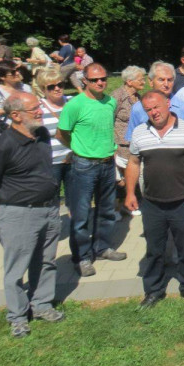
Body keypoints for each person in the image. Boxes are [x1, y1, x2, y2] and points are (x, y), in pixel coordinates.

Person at [0, 92, 64, 340]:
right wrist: (1, 210)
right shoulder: (4, 145)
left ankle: (41, 305)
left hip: (49, 210)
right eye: (34, 109)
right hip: (18, 213)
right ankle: (17, 317)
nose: (40, 111)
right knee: (16, 269)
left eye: (38, 106)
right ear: (15, 115)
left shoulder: (41, 135)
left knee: (46, 261)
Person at [124, 90, 184, 308]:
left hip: (182, 201)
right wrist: (131, 193)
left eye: (157, 107)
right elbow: (133, 163)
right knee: (154, 249)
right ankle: (154, 290)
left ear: (168, 104)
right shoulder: (140, 132)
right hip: (152, 202)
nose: (154, 112)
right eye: (148, 110)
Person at [57, 63, 126, 277]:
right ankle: (82, 257)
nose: (100, 82)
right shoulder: (74, 105)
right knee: (81, 214)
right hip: (84, 165)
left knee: (106, 210)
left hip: (106, 163)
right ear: (84, 80)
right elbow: (62, 134)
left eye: (103, 78)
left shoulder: (110, 102)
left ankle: (103, 247)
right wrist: (78, 148)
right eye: (95, 79)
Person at [124, 62, 184, 140]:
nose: (166, 84)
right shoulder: (138, 108)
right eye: (161, 80)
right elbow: (132, 140)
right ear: (151, 81)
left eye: (170, 80)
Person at [112, 65, 146, 215]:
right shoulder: (117, 96)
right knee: (122, 178)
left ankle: (130, 204)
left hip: (136, 143)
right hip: (121, 145)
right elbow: (109, 121)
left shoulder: (138, 97)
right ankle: (117, 208)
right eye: (141, 79)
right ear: (129, 81)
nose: (144, 82)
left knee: (133, 175)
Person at [34, 67, 73, 199]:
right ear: (43, 89)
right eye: (51, 87)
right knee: (51, 198)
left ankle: (75, 219)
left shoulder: (73, 102)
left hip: (75, 158)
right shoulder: (38, 108)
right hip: (51, 161)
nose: (57, 89)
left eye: (60, 84)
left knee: (76, 198)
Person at [0, 63, 33, 150]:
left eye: (17, 70)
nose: (17, 73)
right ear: (2, 77)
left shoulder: (26, 88)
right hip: (5, 135)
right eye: (13, 72)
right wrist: (3, 110)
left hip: (26, 131)